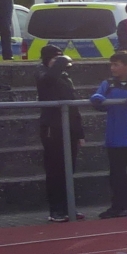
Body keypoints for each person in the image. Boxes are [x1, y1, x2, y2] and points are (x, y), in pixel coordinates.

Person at [89, 51, 127, 218]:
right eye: (112, 64)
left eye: (116, 64)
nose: (112, 68)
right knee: (116, 175)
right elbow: (98, 102)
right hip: (115, 136)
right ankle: (116, 206)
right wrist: (96, 100)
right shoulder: (108, 84)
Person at [36, 46, 83, 222]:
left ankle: (69, 206)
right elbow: (47, 80)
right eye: (55, 59)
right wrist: (59, 63)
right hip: (52, 128)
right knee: (55, 170)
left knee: (69, 169)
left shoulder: (65, 78)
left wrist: (79, 132)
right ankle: (56, 209)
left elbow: (74, 106)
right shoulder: (41, 73)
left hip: (69, 128)